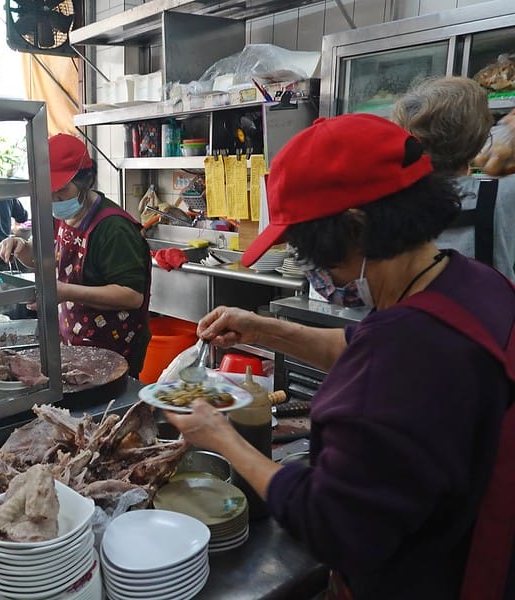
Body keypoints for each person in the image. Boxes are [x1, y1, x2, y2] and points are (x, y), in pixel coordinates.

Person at [164, 114, 515, 599]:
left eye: (314, 253)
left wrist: (222, 438)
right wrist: (264, 328)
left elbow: (330, 526)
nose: (318, 270)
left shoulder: (405, 353)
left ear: (355, 229)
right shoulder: (469, 282)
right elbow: (357, 347)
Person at [0, 133, 152, 377]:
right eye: (47, 191)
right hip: (74, 339)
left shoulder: (113, 228)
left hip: (115, 346)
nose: (54, 198)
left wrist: (64, 291)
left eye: (61, 190)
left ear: (86, 180)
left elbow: (132, 296)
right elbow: (44, 262)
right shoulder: (58, 217)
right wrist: (21, 248)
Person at [392, 75, 515, 281]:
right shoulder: (505, 194)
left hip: (413, 310)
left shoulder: (390, 201)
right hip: (487, 310)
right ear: (481, 138)